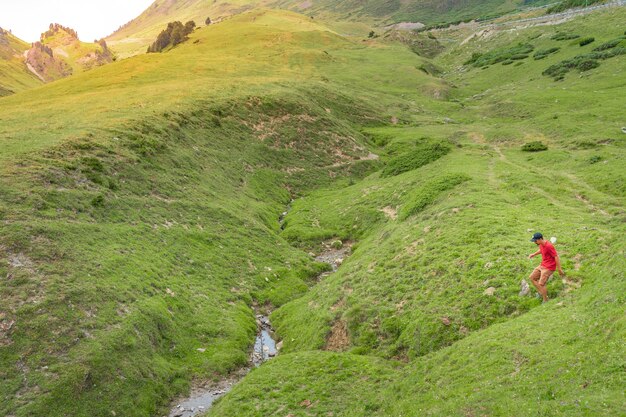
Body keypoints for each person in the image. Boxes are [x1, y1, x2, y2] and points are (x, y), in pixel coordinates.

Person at [528, 232, 564, 302]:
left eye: (535, 241)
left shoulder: (549, 246)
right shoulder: (541, 244)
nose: (534, 242)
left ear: (540, 239)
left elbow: (556, 256)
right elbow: (541, 250)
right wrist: (534, 254)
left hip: (549, 267)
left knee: (541, 284)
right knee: (532, 278)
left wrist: (559, 269)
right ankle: (541, 293)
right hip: (543, 265)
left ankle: (545, 299)